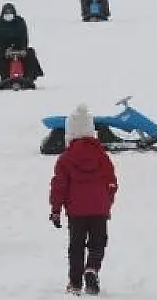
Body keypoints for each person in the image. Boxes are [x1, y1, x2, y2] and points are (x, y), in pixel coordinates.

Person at [50, 104, 117, 296]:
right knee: (98, 243)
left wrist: (55, 210)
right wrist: (107, 201)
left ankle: (75, 283)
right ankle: (92, 269)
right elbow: (111, 181)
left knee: (76, 247)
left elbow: (59, 186)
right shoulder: (102, 156)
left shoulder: (65, 159)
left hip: (76, 212)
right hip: (99, 210)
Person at [0, 3, 44, 82]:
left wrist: (23, 49)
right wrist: (5, 50)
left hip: (20, 47)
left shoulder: (20, 22)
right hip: (5, 49)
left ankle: (29, 77)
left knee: (30, 53)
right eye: (6, 13)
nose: (8, 15)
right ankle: (4, 76)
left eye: (10, 13)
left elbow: (24, 36)